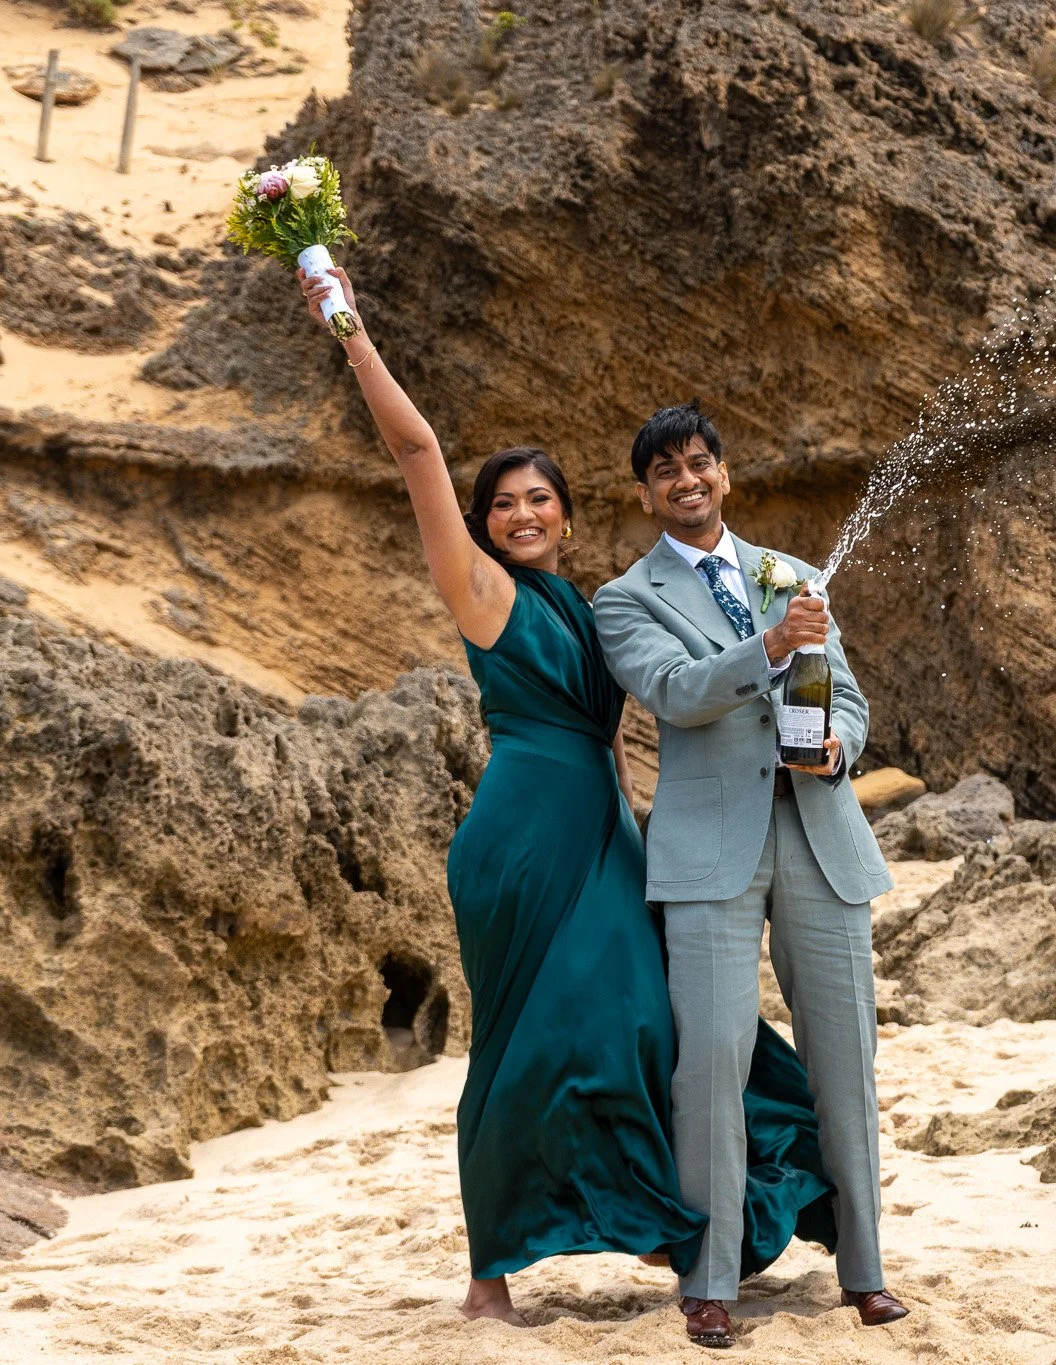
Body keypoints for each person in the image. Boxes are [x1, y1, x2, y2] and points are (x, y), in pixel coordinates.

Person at [297, 272, 834, 1336]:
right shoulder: (482, 591)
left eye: (538, 498)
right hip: (525, 842)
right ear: (485, 526)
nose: (520, 513)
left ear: (570, 518)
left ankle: (677, 1227)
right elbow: (415, 456)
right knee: (523, 1046)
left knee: (653, 1026)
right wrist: (343, 321)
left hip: (611, 834)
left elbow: (692, 689)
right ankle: (493, 1270)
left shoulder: (601, 608)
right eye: (502, 503)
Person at [593, 402, 909, 1347]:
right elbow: (676, 695)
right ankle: (710, 1277)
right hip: (706, 855)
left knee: (847, 1060)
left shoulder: (796, 575)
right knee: (712, 1066)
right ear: (646, 493)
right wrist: (768, 648)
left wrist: (837, 752)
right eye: (666, 472)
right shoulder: (626, 597)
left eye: (700, 464)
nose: (686, 481)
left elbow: (847, 698)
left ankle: (866, 1271)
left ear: (724, 475)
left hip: (821, 839)